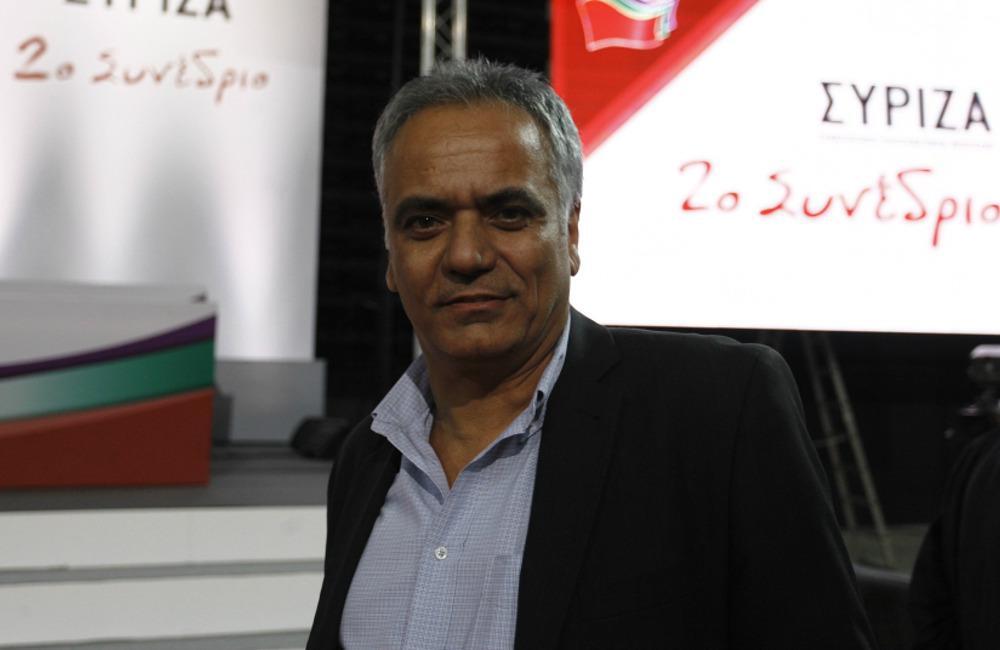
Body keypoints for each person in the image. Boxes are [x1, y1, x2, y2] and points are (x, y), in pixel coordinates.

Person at [307, 59, 875, 649]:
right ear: (390, 253)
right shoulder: (367, 456)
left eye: (508, 214)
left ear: (571, 232)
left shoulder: (717, 408)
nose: (466, 256)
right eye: (425, 222)